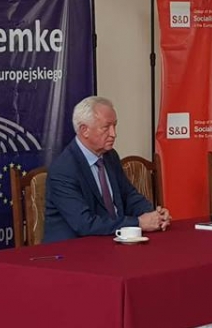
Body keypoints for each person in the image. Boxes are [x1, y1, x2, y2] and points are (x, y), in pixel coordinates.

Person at [43, 96, 172, 243]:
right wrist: (138, 223)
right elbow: (84, 224)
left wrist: (154, 215)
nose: (113, 134)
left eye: (115, 126)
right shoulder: (63, 170)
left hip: (111, 240)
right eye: (106, 127)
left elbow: (129, 196)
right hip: (74, 249)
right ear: (84, 130)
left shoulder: (110, 156)